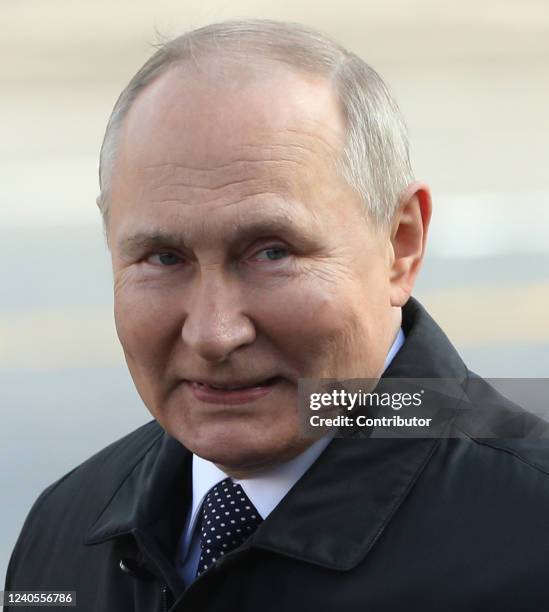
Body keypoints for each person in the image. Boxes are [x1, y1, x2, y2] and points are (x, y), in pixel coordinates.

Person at [5, 19, 549, 612]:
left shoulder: (530, 544)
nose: (215, 333)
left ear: (401, 246)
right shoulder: (62, 532)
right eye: (164, 257)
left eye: (272, 253)